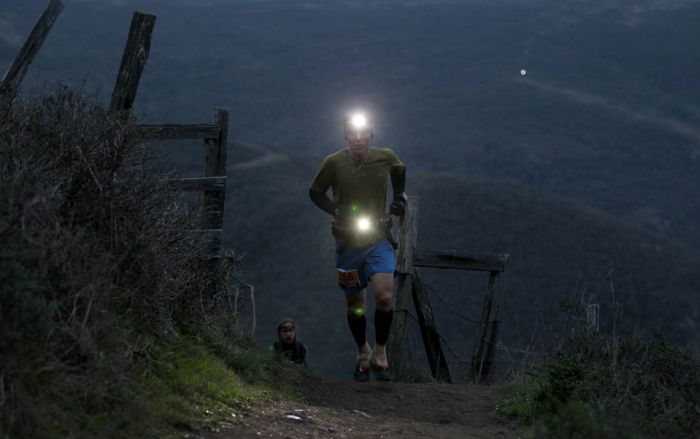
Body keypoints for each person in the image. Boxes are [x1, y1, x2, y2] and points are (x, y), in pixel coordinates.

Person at [308, 111, 407, 382]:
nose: (358, 138)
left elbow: (399, 169)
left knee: (385, 298)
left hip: (378, 238)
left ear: (371, 134)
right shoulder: (334, 162)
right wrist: (334, 209)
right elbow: (315, 192)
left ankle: (380, 351)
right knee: (356, 306)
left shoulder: (385, 156)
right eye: (353, 134)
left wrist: (398, 198)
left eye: (363, 133)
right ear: (346, 137)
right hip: (347, 243)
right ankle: (362, 351)